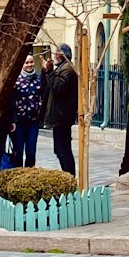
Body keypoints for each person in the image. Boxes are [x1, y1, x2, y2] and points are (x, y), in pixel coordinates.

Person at [42, 44, 78, 177]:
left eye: (56, 53)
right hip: (60, 116)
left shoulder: (67, 70)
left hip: (63, 117)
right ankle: (68, 176)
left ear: (61, 55)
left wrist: (50, 72)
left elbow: (57, 88)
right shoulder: (62, 68)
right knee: (60, 150)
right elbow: (47, 88)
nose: (54, 56)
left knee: (63, 150)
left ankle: (69, 177)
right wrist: (47, 71)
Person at [10, 52, 44, 168]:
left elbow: (42, 96)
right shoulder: (16, 80)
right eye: (27, 63)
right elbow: (12, 101)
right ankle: (17, 176)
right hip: (19, 121)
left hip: (33, 121)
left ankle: (29, 176)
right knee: (18, 151)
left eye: (31, 62)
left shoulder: (38, 79)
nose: (29, 65)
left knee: (31, 151)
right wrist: (13, 119)